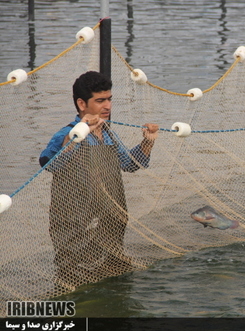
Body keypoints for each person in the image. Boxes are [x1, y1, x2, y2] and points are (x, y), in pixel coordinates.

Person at [40, 71, 159, 289]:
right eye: (100, 100)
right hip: (75, 223)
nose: (107, 106)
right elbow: (49, 164)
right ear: (81, 104)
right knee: (72, 279)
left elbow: (130, 164)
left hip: (108, 225)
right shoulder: (65, 134)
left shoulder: (109, 135)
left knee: (113, 277)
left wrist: (148, 142)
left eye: (109, 99)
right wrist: (74, 137)